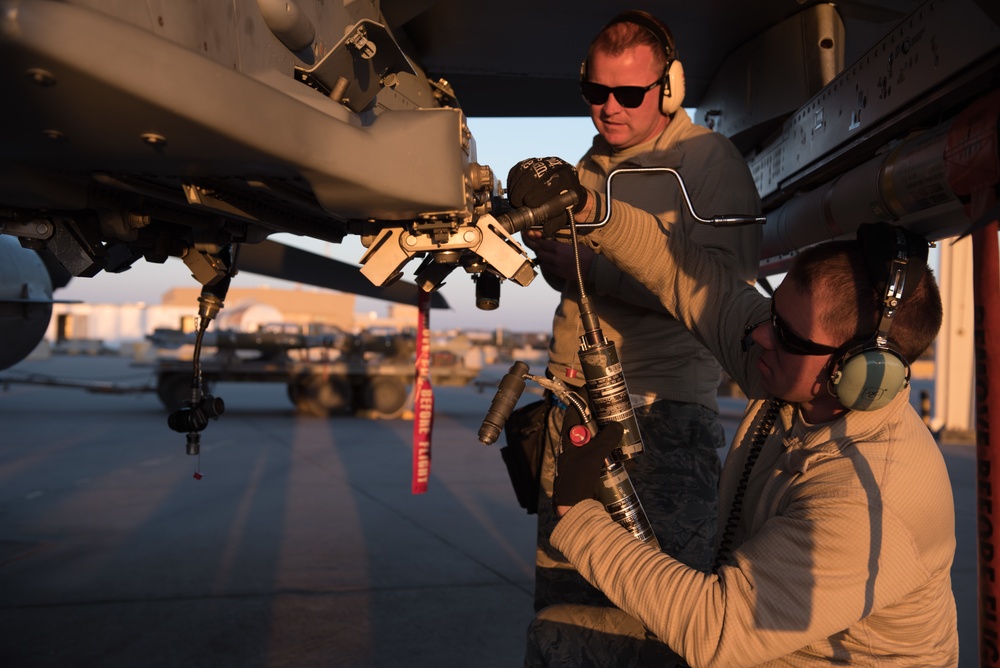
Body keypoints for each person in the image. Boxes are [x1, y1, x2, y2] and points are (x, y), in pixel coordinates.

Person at [510, 154, 958, 665]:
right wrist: (591, 207)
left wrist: (578, 515)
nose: (760, 335)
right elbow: (685, 274)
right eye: (771, 314)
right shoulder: (794, 375)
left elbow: (714, 630)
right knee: (556, 634)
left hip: (749, 646)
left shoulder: (869, 498)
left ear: (857, 374)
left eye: (786, 335)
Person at [506, 9, 763, 618]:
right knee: (568, 601)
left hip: (659, 413)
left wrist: (590, 268)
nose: (610, 107)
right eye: (596, 92)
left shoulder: (707, 162)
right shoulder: (590, 165)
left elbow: (723, 291)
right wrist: (556, 262)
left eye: (628, 93)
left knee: (661, 612)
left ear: (668, 88)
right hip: (574, 402)